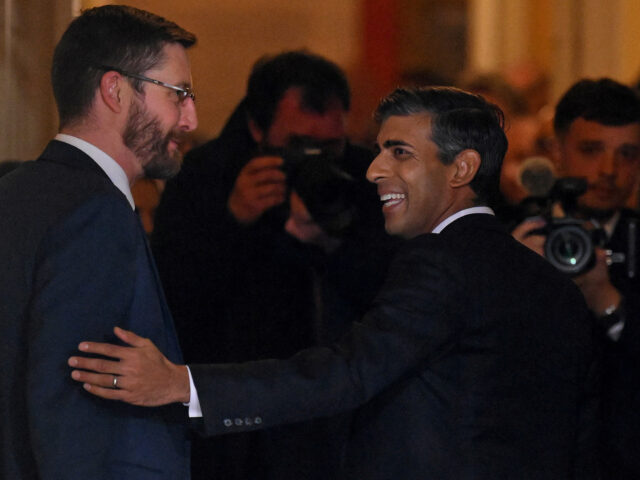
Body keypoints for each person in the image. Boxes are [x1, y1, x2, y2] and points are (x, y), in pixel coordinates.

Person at [69, 86, 599, 479]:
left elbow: (346, 372)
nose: (372, 171)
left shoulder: (442, 262)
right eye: (379, 149)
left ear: (462, 168)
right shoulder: (540, 275)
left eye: (400, 152)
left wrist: (181, 385)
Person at [151, 50, 394, 479]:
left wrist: (328, 244)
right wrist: (233, 223)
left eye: (331, 146)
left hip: (343, 419)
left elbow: (390, 296)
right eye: (299, 146)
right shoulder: (205, 177)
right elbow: (173, 304)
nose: (317, 160)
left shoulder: (362, 178)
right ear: (257, 128)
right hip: (234, 430)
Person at [0, 5, 197, 478]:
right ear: (115, 89)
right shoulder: (97, 213)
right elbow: (71, 415)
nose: (190, 119)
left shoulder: (13, 192)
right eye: (179, 95)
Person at [512, 78, 640, 478]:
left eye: (627, 154)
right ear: (556, 151)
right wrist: (508, 277)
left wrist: (606, 297)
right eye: (590, 150)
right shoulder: (513, 238)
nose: (608, 171)